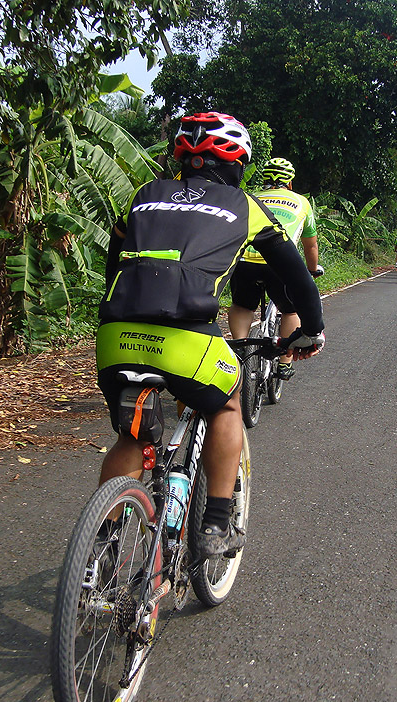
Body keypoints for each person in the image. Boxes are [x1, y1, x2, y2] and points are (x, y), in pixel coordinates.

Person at [95, 112, 326, 557]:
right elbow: (299, 279)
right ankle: (217, 525)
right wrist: (311, 331)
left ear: (182, 158)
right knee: (227, 403)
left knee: (133, 437)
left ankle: (99, 551)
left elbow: (114, 261)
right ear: (237, 163)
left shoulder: (143, 195)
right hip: (186, 340)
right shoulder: (245, 206)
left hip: (115, 335)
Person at [228, 157, 322, 381]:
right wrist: (311, 270)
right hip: (280, 265)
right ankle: (285, 363)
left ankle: (240, 353)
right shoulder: (302, 202)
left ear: (264, 180)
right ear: (290, 182)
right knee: (290, 311)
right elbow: (311, 245)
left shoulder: (249, 198)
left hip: (244, 263)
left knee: (242, 306)